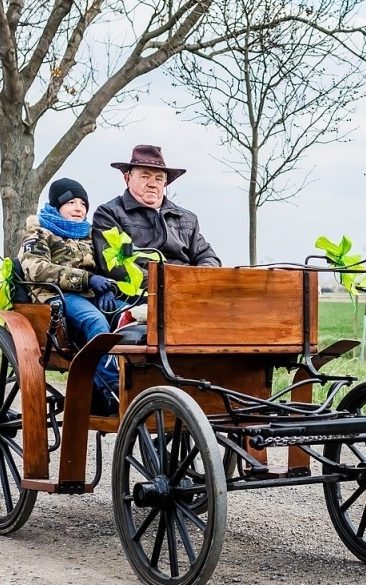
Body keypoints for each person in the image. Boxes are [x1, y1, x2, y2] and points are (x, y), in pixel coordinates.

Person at [18, 177, 121, 409]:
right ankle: (111, 389)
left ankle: (136, 380)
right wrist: (87, 279)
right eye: (71, 202)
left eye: (83, 204)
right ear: (56, 206)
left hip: (91, 295)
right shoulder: (39, 233)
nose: (78, 208)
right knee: (95, 321)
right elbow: (36, 268)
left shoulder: (90, 235)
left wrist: (108, 287)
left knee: (130, 316)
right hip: (55, 296)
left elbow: (110, 266)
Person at [91, 145, 220, 294]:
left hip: (189, 291)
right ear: (127, 178)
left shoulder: (187, 219)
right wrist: (167, 286)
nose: (152, 184)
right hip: (139, 296)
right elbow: (116, 265)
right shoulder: (109, 214)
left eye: (159, 179)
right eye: (145, 177)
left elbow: (208, 257)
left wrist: (196, 282)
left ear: (165, 183)